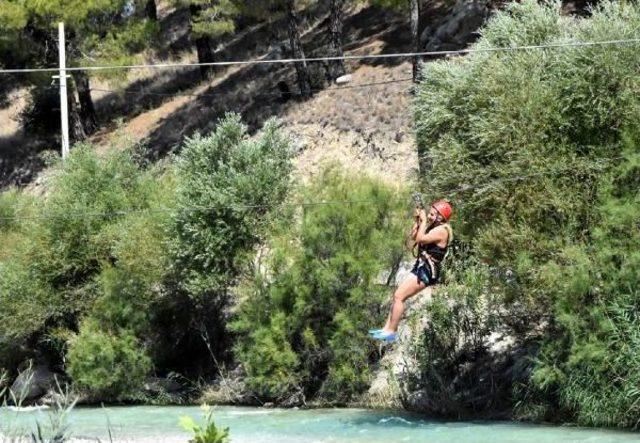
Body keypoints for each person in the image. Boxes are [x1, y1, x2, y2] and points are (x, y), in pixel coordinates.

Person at [369, 199, 453, 342]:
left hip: (427, 271)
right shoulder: (433, 227)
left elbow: (420, 239)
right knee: (397, 296)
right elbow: (415, 236)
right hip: (422, 268)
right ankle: (386, 328)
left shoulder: (442, 231)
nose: (430, 216)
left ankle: (391, 332)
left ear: (441, 218)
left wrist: (425, 220)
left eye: (433, 214)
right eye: (430, 214)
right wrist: (418, 221)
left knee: (399, 296)